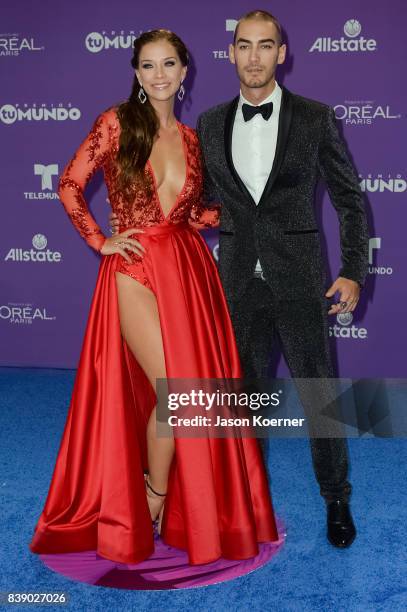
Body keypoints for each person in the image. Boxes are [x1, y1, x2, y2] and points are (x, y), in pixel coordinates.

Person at [110, 11, 369, 549]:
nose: (254, 57)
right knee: (240, 401)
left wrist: (352, 270)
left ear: (282, 53)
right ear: (230, 54)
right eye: (244, 46)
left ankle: (336, 499)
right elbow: (190, 206)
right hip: (233, 285)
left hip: (302, 283)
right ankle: (244, 503)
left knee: (318, 396)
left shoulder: (317, 119)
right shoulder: (205, 124)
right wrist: (136, 221)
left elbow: (349, 200)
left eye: (265, 46)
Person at [29, 29, 280, 566]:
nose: (159, 74)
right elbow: (70, 183)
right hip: (133, 270)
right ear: (137, 73)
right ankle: (152, 496)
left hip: (187, 269)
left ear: (184, 72)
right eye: (148, 65)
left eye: (169, 64)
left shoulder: (193, 139)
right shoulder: (116, 123)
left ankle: (162, 496)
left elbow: (191, 216)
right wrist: (100, 239)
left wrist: (244, 214)